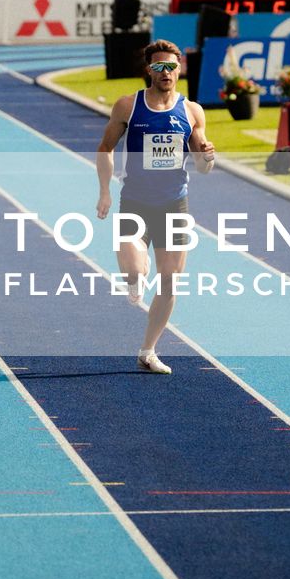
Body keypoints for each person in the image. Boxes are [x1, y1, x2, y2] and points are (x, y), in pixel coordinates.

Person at [94, 39, 216, 375]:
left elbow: (203, 166)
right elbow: (105, 148)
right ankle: (133, 278)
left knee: (170, 282)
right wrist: (104, 191)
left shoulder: (192, 111)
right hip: (135, 201)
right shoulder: (128, 106)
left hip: (175, 203)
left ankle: (148, 350)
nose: (166, 72)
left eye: (171, 66)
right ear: (149, 69)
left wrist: (207, 157)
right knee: (138, 270)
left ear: (179, 69)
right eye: (159, 66)